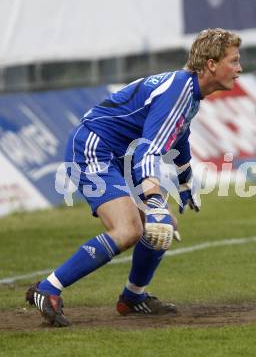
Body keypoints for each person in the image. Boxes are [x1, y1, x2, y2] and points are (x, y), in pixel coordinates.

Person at [25, 28, 242, 327]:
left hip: (116, 156)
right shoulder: (179, 91)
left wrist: (184, 181)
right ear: (212, 64)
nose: (240, 69)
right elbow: (149, 153)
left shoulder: (189, 92)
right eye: (234, 60)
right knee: (129, 230)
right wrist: (154, 200)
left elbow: (178, 139)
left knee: (163, 227)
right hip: (93, 147)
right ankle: (47, 289)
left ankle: (132, 297)